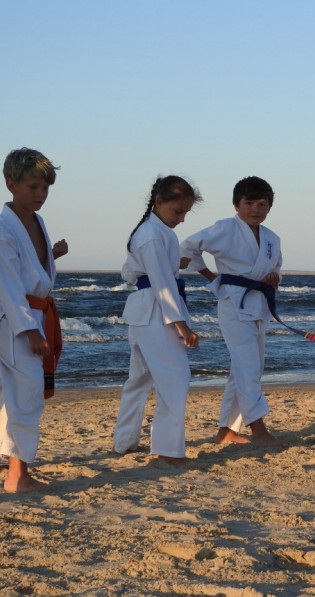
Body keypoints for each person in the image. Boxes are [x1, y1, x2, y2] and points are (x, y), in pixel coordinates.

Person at [0, 148, 68, 493]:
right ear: (11, 184)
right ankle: (17, 475)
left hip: (32, 313)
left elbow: (24, 270)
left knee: (6, 391)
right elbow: (9, 287)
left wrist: (50, 257)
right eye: (32, 187)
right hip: (14, 319)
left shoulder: (35, 222)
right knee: (27, 392)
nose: (40, 195)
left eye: (45, 188)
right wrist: (29, 330)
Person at [180, 176, 285, 447]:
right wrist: (211, 277)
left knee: (245, 368)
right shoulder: (225, 228)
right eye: (249, 203)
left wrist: (273, 278)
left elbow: (276, 269)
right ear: (236, 205)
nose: (255, 209)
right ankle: (258, 429)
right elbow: (188, 248)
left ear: (269, 207)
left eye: (262, 204)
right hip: (234, 304)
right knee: (248, 368)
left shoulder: (272, 238)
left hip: (259, 306)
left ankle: (226, 430)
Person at [112, 176, 201, 465]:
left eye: (185, 213)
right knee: (174, 376)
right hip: (155, 310)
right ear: (159, 202)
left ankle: (124, 443)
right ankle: (167, 450)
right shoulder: (152, 234)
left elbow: (130, 271)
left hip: (143, 310)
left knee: (139, 380)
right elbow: (162, 283)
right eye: (178, 211)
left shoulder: (150, 231)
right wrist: (181, 324)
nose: (182, 219)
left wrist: (173, 263)